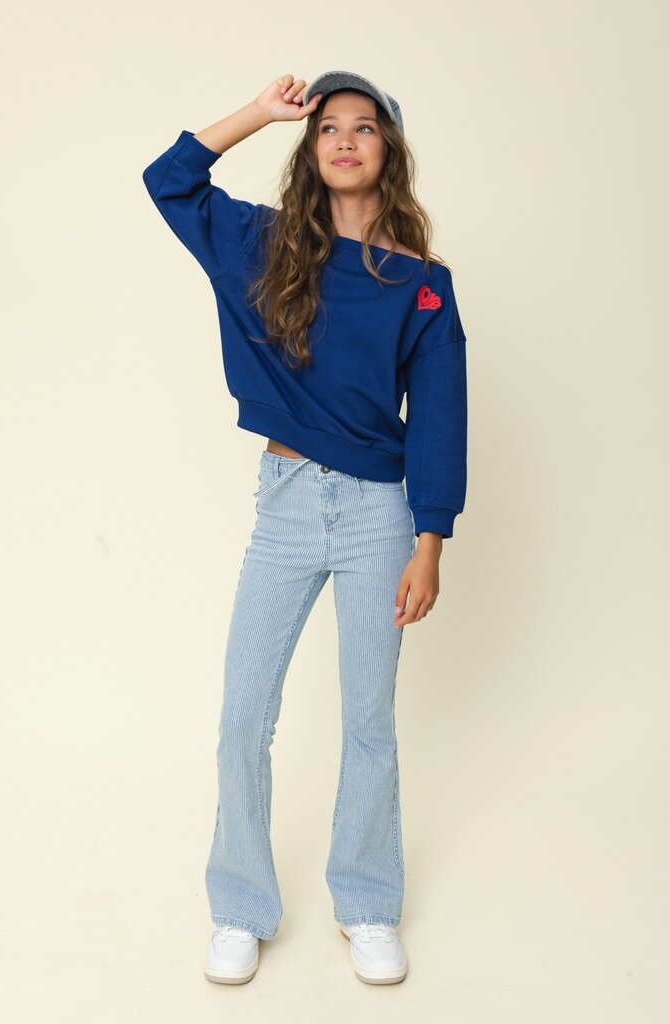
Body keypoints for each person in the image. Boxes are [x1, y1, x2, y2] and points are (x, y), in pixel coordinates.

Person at [141, 70, 468, 986]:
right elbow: (169, 180)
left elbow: (440, 415)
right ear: (310, 147)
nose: (346, 139)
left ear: (388, 150)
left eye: (365, 126)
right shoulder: (261, 243)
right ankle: (240, 907)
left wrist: (430, 540)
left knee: (368, 721)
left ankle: (367, 905)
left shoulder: (422, 284)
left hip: (379, 515)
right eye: (328, 127)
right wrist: (259, 111)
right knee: (243, 715)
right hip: (285, 504)